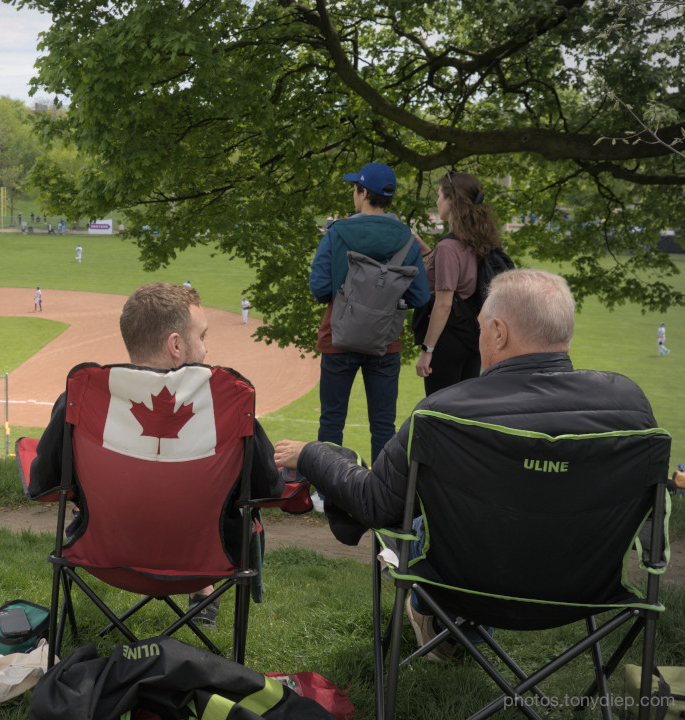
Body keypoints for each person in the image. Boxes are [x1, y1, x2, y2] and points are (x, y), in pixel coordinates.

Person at [274, 269, 660, 661]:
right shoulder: (630, 406)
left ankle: (444, 627)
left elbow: (376, 503)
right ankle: (455, 634)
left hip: (465, 587)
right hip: (586, 590)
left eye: (479, 329)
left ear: (498, 332)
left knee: (429, 521)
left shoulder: (444, 414)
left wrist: (313, 454)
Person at [29, 282, 285, 628]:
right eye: (203, 337)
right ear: (176, 345)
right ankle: (204, 594)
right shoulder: (227, 407)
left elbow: (43, 484)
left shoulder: (84, 398)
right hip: (207, 562)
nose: (206, 349)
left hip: (104, 557)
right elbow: (268, 489)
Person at [308, 162, 430, 464]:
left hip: (338, 338)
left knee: (332, 421)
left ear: (364, 193)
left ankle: (328, 493)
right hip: (385, 342)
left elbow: (319, 287)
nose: (353, 194)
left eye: (355, 189)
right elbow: (420, 295)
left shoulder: (338, 232)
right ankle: (381, 496)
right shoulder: (406, 238)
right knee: (383, 425)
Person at [413, 172, 503, 395]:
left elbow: (444, 304)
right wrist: (428, 253)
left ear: (452, 200)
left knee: (440, 412)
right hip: (472, 339)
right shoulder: (478, 242)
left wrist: (427, 350)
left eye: (440, 196)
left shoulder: (448, 247)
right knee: (463, 411)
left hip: (447, 341)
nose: (437, 202)